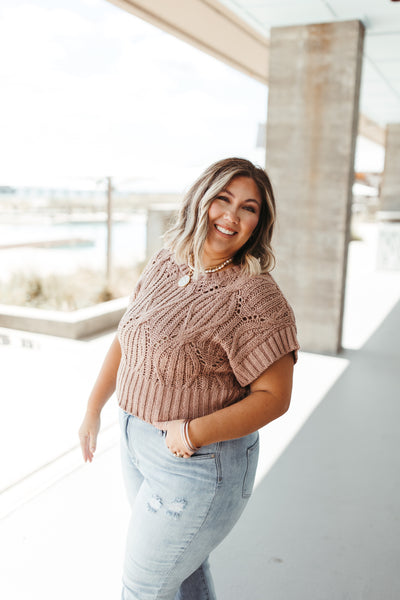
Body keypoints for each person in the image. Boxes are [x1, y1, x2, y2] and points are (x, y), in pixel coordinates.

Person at [78, 157, 300, 600]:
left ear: (260, 222)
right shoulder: (167, 261)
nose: (231, 216)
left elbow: (274, 397)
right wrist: (93, 408)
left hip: (198, 461)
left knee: (142, 589)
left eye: (248, 208)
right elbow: (128, 336)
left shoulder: (255, 295)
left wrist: (192, 431)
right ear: (201, 198)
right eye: (223, 198)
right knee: (181, 575)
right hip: (135, 441)